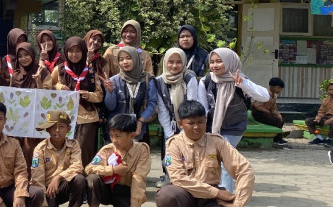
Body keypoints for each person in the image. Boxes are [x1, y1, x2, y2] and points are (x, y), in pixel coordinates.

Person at [156, 100, 253, 207]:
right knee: (166, 195)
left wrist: (239, 201)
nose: (197, 127)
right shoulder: (173, 144)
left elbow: (245, 169)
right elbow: (178, 178)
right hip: (185, 195)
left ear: (205, 121)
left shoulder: (217, 141)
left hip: (210, 200)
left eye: (200, 122)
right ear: (180, 124)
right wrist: (217, 192)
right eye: (191, 123)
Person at [199, 48, 269, 192]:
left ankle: (227, 196)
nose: (215, 65)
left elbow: (265, 97)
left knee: (224, 159)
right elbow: (202, 107)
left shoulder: (240, 80)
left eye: (219, 61)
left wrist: (243, 84)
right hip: (212, 128)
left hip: (234, 127)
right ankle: (213, 192)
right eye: (212, 62)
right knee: (211, 160)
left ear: (230, 62)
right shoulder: (206, 81)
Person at [84, 114, 150, 207]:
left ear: (132, 135)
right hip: (107, 191)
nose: (114, 140)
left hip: (126, 192)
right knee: (92, 179)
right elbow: (89, 168)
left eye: (118, 136)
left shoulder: (142, 150)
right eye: (111, 135)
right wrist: (113, 170)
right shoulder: (107, 150)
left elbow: (139, 179)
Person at [30, 111, 87, 207]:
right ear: (48, 130)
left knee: (80, 179)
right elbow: (37, 180)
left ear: (68, 129)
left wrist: (58, 178)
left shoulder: (73, 145)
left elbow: (78, 166)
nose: (57, 131)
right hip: (46, 192)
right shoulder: (40, 149)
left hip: (62, 187)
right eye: (53, 127)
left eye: (61, 127)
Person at [52, 36, 103, 165]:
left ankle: (83, 174)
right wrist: (59, 87)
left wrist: (88, 95)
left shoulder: (90, 72)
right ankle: (65, 175)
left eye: (78, 51)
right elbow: (49, 87)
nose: (74, 55)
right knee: (64, 149)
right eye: (71, 51)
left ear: (83, 52)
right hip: (64, 116)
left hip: (87, 117)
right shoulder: (59, 69)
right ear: (66, 52)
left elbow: (99, 95)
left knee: (83, 149)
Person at [156, 47, 201, 186]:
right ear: (165, 62)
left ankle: (188, 178)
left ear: (184, 63)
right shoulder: (159, 81)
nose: (174, 65)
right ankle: (169, 176)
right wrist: (169, 132)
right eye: (171, 62)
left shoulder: (189, 78)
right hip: (169, 123)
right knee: (169, 151)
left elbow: (191, 103)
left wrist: (184, 129)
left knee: (188, 151)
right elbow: (162, 109)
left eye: (178, 62)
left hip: (188, 122)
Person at [101, 46, 158, 144]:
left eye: (128, 58)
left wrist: (140, 121)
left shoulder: (148, 80)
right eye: (121, 59)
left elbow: (152, 104)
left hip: (137, 129)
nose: (125, 62)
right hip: (116, 130)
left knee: (135, 153)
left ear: (136, 58)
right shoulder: (114, 80)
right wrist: (110, 92)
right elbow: (110, 107)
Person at [251, 77, 288, 146]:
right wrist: (266, 111)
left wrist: (278, 114)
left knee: (281, 119)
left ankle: (278, 138)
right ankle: (276, 139)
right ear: (271, 86)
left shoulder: (274, 97)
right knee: (276, 121)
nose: (279, 90)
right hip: (259, 113)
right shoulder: (265, 94)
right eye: (278, 88)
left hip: (267, 113)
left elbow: (273, 108)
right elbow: (256, 105)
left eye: (281, 88)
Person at [305, 81, 333, 146]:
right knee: (308, 121)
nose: (331, 91)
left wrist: (330, 120)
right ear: (327, 91)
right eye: (330, 90)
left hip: (332, 119)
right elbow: (321, 111)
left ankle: (329, 139)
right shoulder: (325, 100)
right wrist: (318, 117)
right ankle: (318, 137)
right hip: (325, 117)